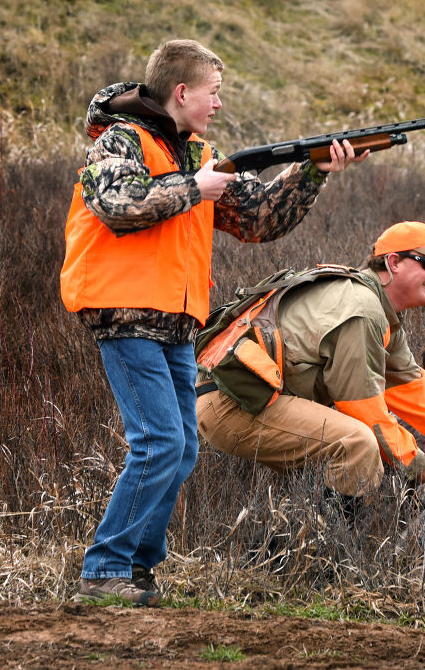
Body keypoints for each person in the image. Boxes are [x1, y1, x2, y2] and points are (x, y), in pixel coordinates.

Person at [59, 39, 367, 607]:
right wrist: (191, 189)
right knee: (157, 443)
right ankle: (105, 569)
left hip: (178, 319)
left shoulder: (201, 153)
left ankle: (138, 570)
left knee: (181, 449)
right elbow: (115, 204)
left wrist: (313, 171)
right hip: (125, 312)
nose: (219, 104)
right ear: (182, 92)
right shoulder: (121, 140)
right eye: (213, 93)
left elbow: (256, 221)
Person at [195, 221, 425, 527]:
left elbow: (419, 395)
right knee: (357, 444)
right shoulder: (363, 312)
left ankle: (283, 551)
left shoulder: (380, 313)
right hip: (230, 404)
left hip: (246, 398)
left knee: (346, 450)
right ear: (393, 263)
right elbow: (365, 411)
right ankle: (320, 558)